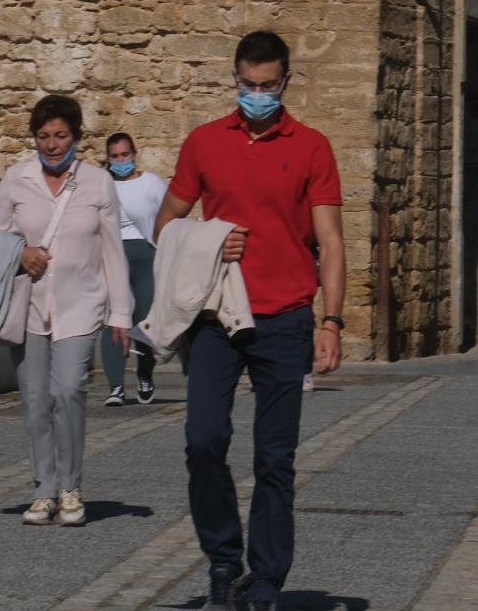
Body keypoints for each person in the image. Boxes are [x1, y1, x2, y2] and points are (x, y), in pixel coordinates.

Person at [154, 30, 345, 611]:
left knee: (274, 458)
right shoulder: (205, 142)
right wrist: (210, 241)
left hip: (286, 318)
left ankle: (264, 582)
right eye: (246, 85)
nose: (256, 95)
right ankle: (222, 559)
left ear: (286, 83)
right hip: (218, 315)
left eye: (266, 86)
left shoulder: (312, 146)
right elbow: (166, 226)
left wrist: (330, 322)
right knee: (203, 441)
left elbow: (332, 241)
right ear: (234, 79)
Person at [0, 94, 133, 527]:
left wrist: (120, 314)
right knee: (34, 400)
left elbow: (112, 251)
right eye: (44, 136)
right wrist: (20, 252)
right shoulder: (17, 179)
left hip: (80, 303)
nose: (51, 144)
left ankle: (71, 487)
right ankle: (43, 490)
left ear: (76, 137)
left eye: (60, 135)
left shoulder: (98, 183)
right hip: (28, 306)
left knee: (68, 389)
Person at [101, 132, 167, 406]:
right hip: (112, 256)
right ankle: (116, 385)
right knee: (112, 319)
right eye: (114, 156)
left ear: (134, 154)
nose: (120, 160)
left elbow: (168, 215)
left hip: (144, 255)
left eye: (124, 155)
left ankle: (144, 374)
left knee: (143, 320)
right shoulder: (102, 184)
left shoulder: (151, 183)